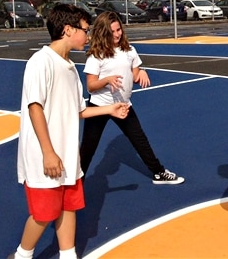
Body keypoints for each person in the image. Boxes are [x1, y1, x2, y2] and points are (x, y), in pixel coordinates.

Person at [11, 4, 129, 259]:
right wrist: (48, 153)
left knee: (68, 207)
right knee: (43, 213)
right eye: (85, 30)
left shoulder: (69, 68)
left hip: (66, 155)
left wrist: (110, 109)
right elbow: (35, 108)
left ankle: (68, 254)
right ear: (67, 30)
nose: (88, 36)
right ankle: (22, 255)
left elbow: (79, 111)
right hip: (46, 156)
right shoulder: (41, 62)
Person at [79, 11, 184, 185]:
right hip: (100, 106)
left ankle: (158, 172)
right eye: (112, 32)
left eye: (118, 29)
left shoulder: (129, 50)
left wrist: (141, 72)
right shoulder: (96, 55)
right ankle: (76, 184)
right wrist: (106, 80)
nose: (117, 34)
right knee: (88, 148)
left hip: (123, 105)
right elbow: (91, 85)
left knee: (139, 139)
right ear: (103, 33)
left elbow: (135, 75)